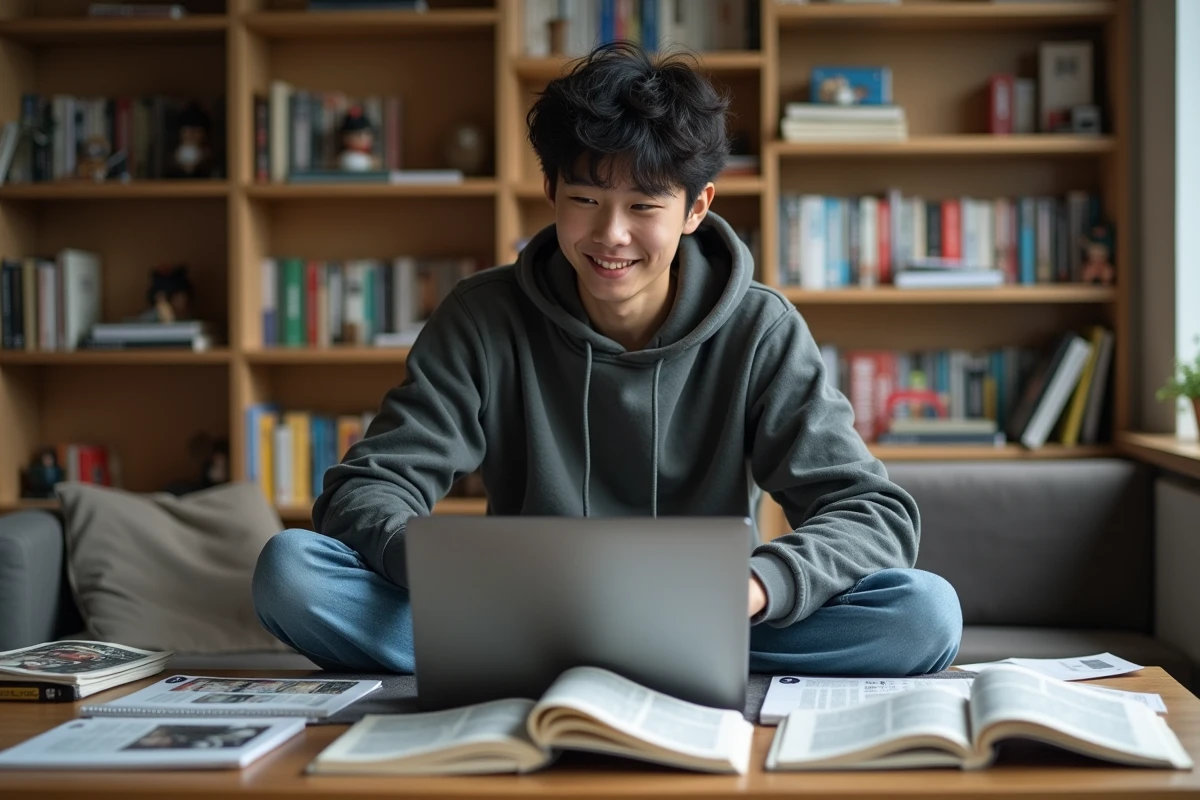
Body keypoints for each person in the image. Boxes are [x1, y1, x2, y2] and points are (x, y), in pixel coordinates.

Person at [253, 42, 962, 678]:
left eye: (643, 206)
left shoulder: (759, 329)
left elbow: (870, 511)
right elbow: (367, 489)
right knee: (292, 571)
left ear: (696, 209)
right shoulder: (482, 315)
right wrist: (446, 573)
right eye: (586, 199)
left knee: (922, 614)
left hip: (709, 625)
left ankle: (604, 657)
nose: (611, 235)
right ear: (551, 193)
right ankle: (531, 651)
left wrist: (756, 586)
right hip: (512, 621)